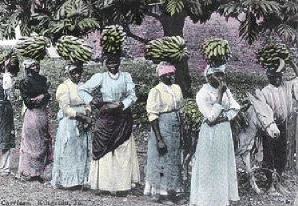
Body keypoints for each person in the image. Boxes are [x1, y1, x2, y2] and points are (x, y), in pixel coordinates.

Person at [78, 54, 140, 194]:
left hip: (122, 115)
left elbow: (132, 95)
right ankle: (104, 185)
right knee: (103, 149)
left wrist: (122, 104)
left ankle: (121, 186)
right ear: (105, 64)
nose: (113, 65)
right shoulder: (101, 77)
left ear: (119, 62)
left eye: (115, 62)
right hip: (106, 115)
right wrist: (94, 102)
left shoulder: (126, 77)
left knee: (122, 149)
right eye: (110, 62)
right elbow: (82, 89)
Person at [190, 64, 240, 206]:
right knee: (209, 164)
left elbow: (235, 107)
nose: (220, 78)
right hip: (210, 133)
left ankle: (221, 199)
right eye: (217, 75)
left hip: (223, 130)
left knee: (222, 164)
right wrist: (219, 95)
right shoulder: (202, 93)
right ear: (208, 76)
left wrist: (226, 117)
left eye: (222, 75)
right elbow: (211, 118)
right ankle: (207, 200)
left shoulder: (226, 90)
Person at [144, 62, 184, 204]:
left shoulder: (177, 88)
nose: (171, 77)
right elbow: (153, 115)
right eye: (168, 74)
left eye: (173, 74)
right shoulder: (156, 91)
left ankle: (173, 190)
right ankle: (162, 192)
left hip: (175, 124)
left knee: (174, 158)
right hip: (162, 125)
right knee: (162, 158)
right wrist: (159, 138)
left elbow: (180, 107)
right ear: (161, 76)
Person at [260, 58, 298, 194]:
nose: (277, 79)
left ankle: (279, 182)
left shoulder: (286, 87)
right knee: (269, 154)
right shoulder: (264, 91)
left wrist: (291, 63)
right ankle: (270, 184)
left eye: (279, 77)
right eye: (274, 77)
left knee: (281, 154)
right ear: (269, 77)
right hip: (270, 127)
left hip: (282, 125)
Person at [51, 63, 92, 189]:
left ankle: (81, 179)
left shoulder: (83, 86)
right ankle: (68, 180)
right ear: (68, 74)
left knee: (82, 149)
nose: (77, 75)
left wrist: (88, 115)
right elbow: (66, 109)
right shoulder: (64, 87)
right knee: (70, 149)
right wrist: (81, 116)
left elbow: (88, 103)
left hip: (83, 120)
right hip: (70, 121)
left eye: (79, 72)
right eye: (73, 72)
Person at [17, 59, 52, 182]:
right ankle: (29, 171)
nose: (36, 67)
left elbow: (48, 95)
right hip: (32, 114)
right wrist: (39, 98)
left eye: (37, 65)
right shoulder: (25, 82)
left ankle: (40, 171)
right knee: (31, 141)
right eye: (32, 65)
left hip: (42, 112)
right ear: (27, 68)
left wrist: (42, 97)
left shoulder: (42, 80)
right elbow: (28, 102)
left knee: (43, 140)